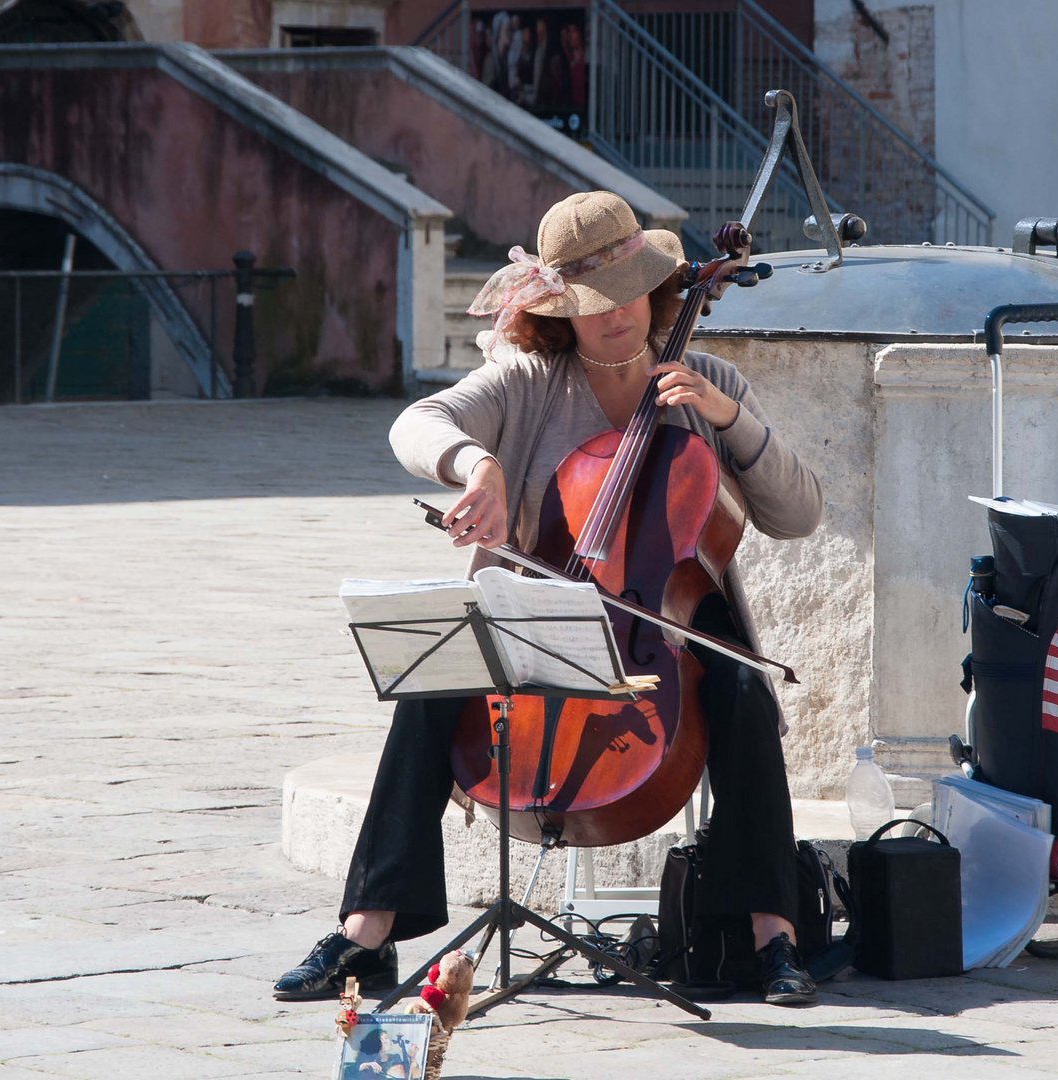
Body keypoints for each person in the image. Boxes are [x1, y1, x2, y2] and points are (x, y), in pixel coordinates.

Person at [274, 191, 823, 1007]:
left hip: (662, 625)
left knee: (740, 686)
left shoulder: (706, 378)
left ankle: (768, 935)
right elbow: (416, 424)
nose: (615, 317)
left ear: (658, 287)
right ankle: (367, 933)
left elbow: (798, 513)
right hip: (548, 608)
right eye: (594, 303)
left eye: (629, 293)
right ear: (561, 309)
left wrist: (729, 419)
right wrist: (475, 466)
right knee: (433, 682)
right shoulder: (528, 380)